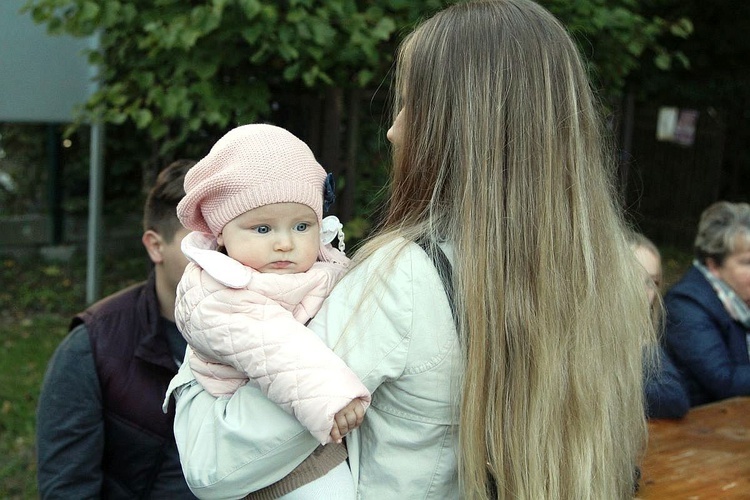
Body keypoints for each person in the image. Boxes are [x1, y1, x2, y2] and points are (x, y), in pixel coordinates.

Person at [167, 1, 656, 498]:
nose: (393, 129)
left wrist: (207, 326)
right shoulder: (608, 268)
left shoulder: (401, 277)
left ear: (454, 127)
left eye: (410, 105)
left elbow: (216, 466)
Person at [168, 123, 370, 498]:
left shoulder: (319, 268)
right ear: (222, 233)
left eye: (301, 225)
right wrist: (332, 396)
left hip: (310, 435)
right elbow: (273, 345)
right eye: (262, 229)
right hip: (268, 456)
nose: (284, 243)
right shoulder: (216, 289)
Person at [36, 159, 198, 498]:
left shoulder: (279, 332)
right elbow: (68, 489)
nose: (220, 256)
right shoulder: (93, 347)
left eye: (225, 239)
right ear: (156, 246)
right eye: (200, 243)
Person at [664, 201, 750, 406]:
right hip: (693, 430)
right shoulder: (685, 305)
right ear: (713, 265)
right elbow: (724, 381)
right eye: (747, 262)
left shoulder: (741, 297)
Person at [627, 231, 690, 419]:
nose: (642, 292)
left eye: (651, 282)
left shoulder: (642, 333)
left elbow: (674, 398)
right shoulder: (575, 336)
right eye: (631, 278)